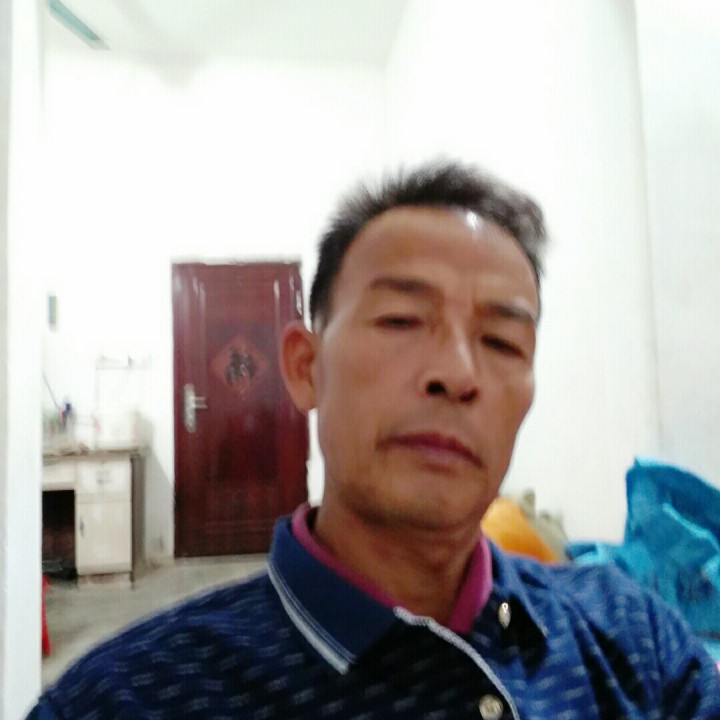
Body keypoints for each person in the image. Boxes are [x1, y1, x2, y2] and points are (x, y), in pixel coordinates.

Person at [29, 161, 720, 719]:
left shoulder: (636, 641)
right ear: (306, 368)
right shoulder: (128, 699)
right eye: (401, 321)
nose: (458, 373)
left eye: (502, 341)